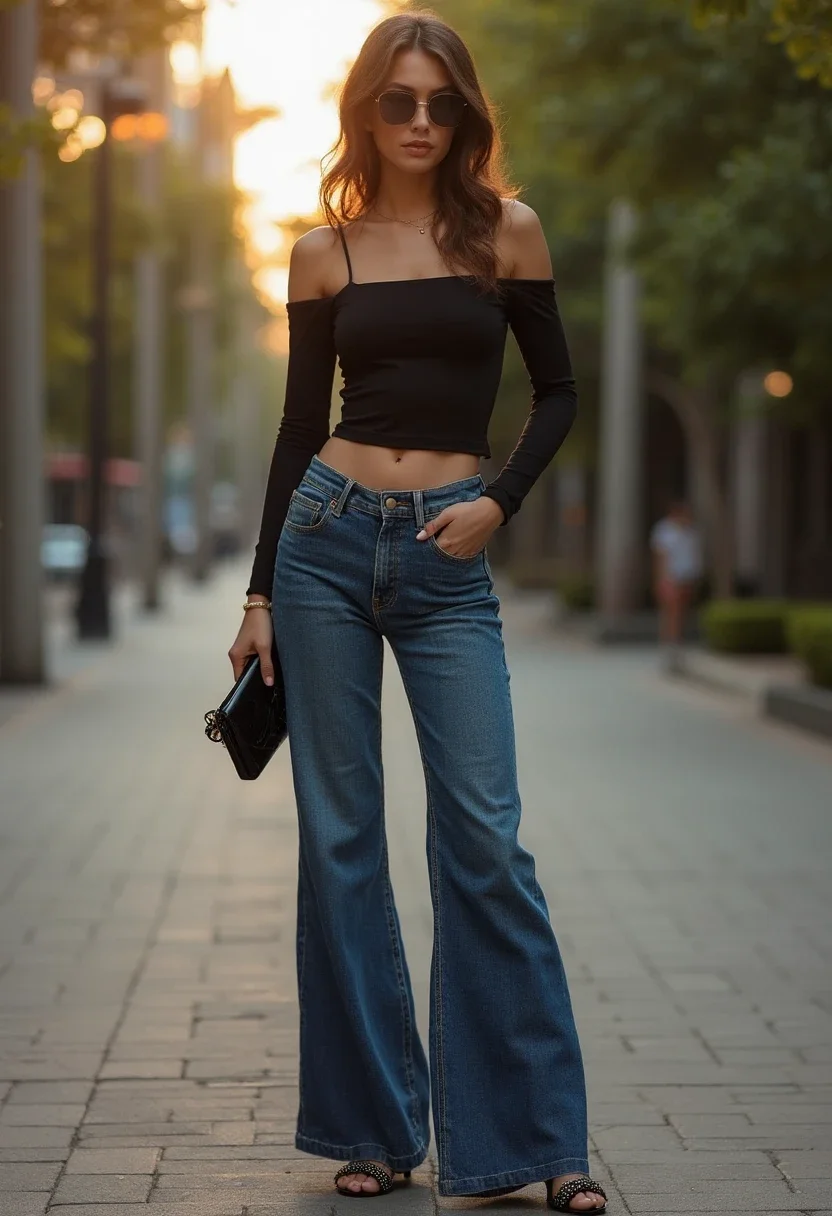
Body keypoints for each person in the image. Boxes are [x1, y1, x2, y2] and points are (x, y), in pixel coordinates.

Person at [227, 10, 607, 1210]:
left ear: (466, 114)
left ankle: (533, 1143)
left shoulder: (508, 231)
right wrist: (258, 591)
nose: (420, 121)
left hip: (450, 553)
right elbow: (298, 429)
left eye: (441, 102)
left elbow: (557, 393)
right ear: (365, 110)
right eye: (398, 100)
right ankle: (373, 1130)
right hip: (326, 543)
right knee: (342, 843)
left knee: (485, 837)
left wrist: (498, 502)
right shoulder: (323, 252)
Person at [650, 500, 703, 651]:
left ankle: (677, 641)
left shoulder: (691, 532)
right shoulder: (664, 530)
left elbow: (694, 555)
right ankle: (668, 643)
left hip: (687, 575)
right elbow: (660, 556)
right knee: (671, 611)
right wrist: (662, 578)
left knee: (682, 612)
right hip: (671, 577)